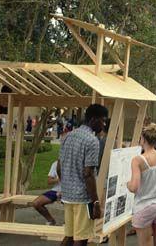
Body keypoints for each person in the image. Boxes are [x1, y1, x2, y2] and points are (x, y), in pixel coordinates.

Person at [58, 104, 108, 246]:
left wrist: (65, 185)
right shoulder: (92, 141)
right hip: (82, 198)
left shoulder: (67, 136)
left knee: (69, 236)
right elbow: (88, 174)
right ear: (93, 119)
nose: (104, 124)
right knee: (81, 239)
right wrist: (96, 202)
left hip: (68, 196)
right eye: (102, 120)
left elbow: (59, 166)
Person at [128, 123, 156, 246]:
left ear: (143, 139)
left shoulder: (138, 160)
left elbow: (134, 187)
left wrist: (127, 184)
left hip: (144, 205)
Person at [31, 160, 61, 225]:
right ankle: (51, 221)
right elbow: (49, 181)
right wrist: (58, 179)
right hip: (55, 191)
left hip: (69, 191)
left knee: (69, 204)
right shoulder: (56, 164)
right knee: (36, 203)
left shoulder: (73, 162)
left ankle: (68, 224)